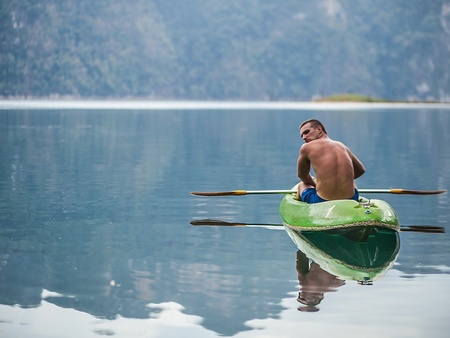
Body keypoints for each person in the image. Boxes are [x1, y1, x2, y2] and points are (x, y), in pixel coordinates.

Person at [296, 119, 365, 203]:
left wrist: (315, 185)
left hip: (322, 201)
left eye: (306, 132)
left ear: (319, 129)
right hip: (350, 199)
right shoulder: (342, 146)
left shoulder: (306, 147)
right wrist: (342, 180)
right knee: (352, 182)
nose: (304, 137)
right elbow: (360, 170)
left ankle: (301, 206)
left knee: (302, 185)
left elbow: (302, 176)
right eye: (302, 135)